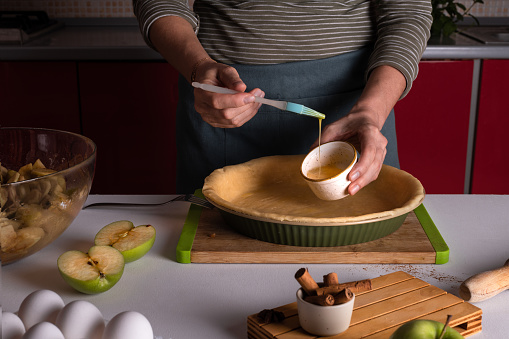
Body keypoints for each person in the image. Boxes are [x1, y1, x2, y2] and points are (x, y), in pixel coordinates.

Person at [133, 0, 432, 194]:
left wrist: (371, 111)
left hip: (356, 112)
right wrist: (198, 67)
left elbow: (408, 12)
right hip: (221, 98)